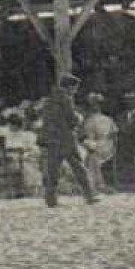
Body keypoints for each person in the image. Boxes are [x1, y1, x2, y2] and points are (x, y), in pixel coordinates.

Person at [39, 74, 99, 207]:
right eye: (75, 88)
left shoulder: (48, 100)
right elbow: (71, 120)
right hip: (66, 139)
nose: (75, 91)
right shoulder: (66, 99)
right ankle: (89, 195)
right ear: (70, 87)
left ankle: (50, 199)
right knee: (78, 168)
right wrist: (79, 118)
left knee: (53, 170)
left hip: (51, 139)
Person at [80, 92, 118, 196]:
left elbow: (88, 138)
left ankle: (96, 185)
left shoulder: (89, 121)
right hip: (108, 148)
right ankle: (96, 184)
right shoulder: (108, 119)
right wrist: (114, 148)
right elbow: (115, 136)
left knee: (88, 155)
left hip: (99, 148)